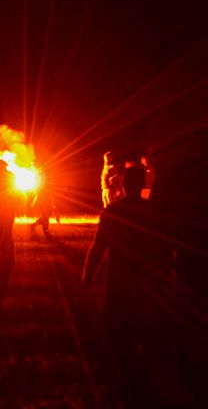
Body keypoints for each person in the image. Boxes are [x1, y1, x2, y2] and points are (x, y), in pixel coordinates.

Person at [82, 166, 174, 404]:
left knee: (116, 330)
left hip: (120, 282)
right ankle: (138, 378)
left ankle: (128, 377)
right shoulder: (152, 212)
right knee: (143, 330)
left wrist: (88, 274)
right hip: (146, 281)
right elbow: (165, 247)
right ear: (145, 183)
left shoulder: (114, 211)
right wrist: (165, 273)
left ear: (122, 184)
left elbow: (99, 245)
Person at [0, 160, 17, 265]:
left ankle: (7, 256)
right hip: (4, 210)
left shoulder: (4, 177)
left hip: (6, 210)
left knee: (4, 233)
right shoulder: (8, 176)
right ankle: (7, 255)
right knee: (2, 233)